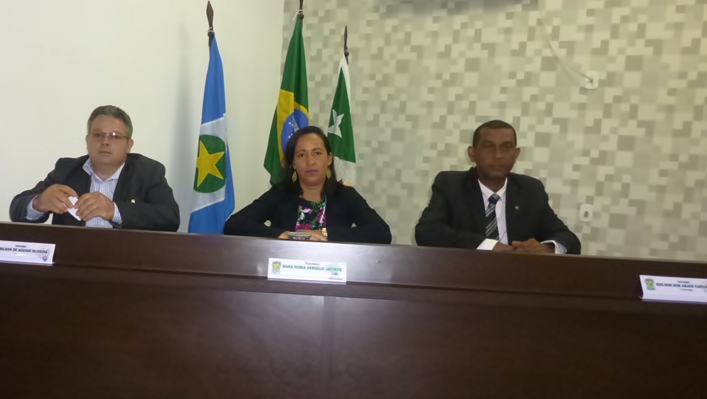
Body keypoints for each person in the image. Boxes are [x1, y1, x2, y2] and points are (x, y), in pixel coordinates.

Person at [415, 120, 580, 254]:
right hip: (465, 277)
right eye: (488, 146)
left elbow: (568, 239)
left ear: (516, 154)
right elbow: (427, 232)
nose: (498, 155)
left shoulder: (530, 190)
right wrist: (492, 246)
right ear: (472, 153)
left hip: (518, 279)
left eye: (506, 147)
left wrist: (547, 248)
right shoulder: (451, 184)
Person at [9, 105, 179, 232]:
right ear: (87, 140)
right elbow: (17, 208)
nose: (105, 141)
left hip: (126, 261)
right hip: (72, 261)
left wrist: (114, 210)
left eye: (115, 136)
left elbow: (169, 217)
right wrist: (38, 203)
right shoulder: (66, 170)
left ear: (129, 145)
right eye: (98, 135)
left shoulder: (148, 172)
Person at [224, 126, 391, 244]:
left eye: (317, 153)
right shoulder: (281, 193)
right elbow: (234, 224)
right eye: (301, 155)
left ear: (329, 159)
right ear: (294, 163)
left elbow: (381, 232)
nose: (310, 161)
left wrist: (325, 234)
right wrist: (283, 235)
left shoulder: (344, 195)